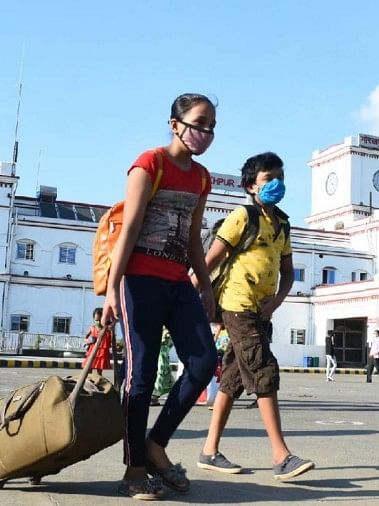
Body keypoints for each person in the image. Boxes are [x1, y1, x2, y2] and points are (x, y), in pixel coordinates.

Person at [100, 93, 219, 501]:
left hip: (178, 283)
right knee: (140, 379)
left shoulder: (201, 178)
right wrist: (113, 290)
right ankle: (133, 471)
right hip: (139, 281)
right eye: (199, 124)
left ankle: (155, 444)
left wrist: (204, 285)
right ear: (175, 124)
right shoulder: (149, 163)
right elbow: (130, 228)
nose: (205, 134)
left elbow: (192, 238)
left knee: (204, 363)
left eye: (211, 128)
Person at [195, 152, 314, 481]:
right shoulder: (242, 217)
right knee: (263, 371)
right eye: (268, 180)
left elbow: (287, 273)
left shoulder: (283, 224)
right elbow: (210, 260)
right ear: (251, 186)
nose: (277, 185)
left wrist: (276, 301)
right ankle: (281, 456)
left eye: (280, 178)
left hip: (261, 311)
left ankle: (209, 450)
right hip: (238, 306)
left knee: (232, 380)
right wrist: (189, 292)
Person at [83, 307, 113, 376]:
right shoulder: (92, 328)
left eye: (99, 320)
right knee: (88, 369)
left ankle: (98, 383)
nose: (97, 322)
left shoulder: (107, 330)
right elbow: (85, 338)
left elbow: (110, 341)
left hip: (101, 353)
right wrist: (88, 341)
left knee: (99, 372)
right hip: (92, 351)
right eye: (95, 320)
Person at [151, 329, 175, 407]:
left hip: (164, 338)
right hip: (163, 338)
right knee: (163, 366)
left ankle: (154, 394)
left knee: (162, 366)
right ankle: (174, 391)